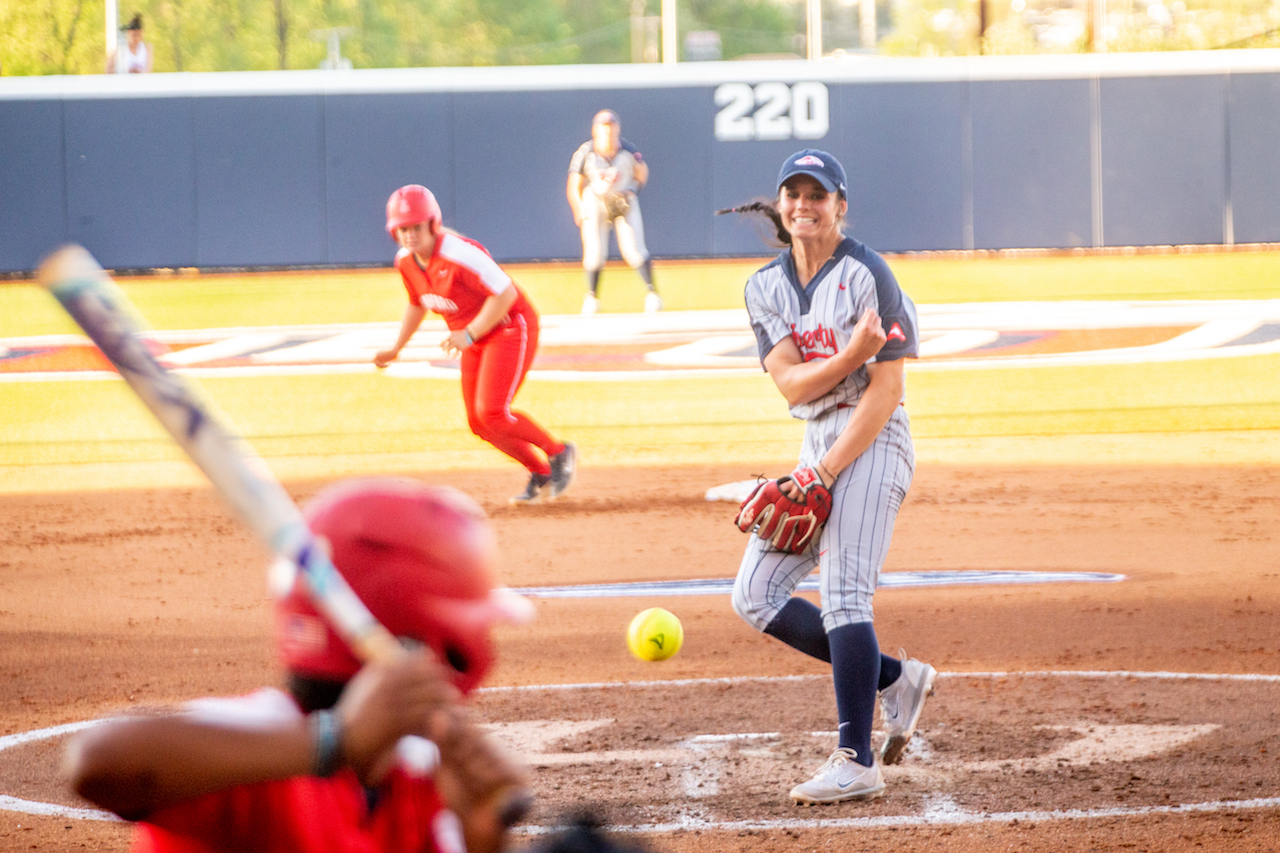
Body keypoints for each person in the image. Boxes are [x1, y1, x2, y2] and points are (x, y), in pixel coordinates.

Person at [64, 476, 537, 853]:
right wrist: (335, 741)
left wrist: (481, 836)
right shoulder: (252, 748)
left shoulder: (415, 777)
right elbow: (96, 764)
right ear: (419, 641)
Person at [719, 150, 938, 805]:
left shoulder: (871, 275)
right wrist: (850, 355)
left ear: (841, 205)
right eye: (794, 194)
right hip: (817, 440)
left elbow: (886, 389)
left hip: (872, 439)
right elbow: (790, 379)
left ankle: (856, 756)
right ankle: (896, 680)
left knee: (845, 593)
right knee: (753, 594)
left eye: (818, 194)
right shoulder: (764, 285)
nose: (804, 205)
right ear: (782, 205)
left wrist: (824, 470)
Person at [375, 184, 576, 505]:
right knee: (479, 423)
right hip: (475, 336)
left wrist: (469, 334)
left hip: (509, 325)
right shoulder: (406, 262)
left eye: (416, 226)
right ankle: (540, 471)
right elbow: (417, 303)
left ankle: (559, 452)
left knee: (492, 411)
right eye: (402, 228)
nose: (410, 235)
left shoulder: (458, 254)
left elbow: (506, 294)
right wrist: (396, 348)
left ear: (432, 224)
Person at [566, 109, 661, 315]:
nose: (608, 131)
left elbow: (642, 171)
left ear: (617, 128)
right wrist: (579, 208)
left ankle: (652, 294)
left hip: (622, 198)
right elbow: (574, 184)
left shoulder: (627, 149)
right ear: (595, 129)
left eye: (611, 126)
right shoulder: (586, 152)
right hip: (596, 200)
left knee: (634, 249)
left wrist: (632, 190)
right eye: (604, 127)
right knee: (594, 251)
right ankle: (591, 297)